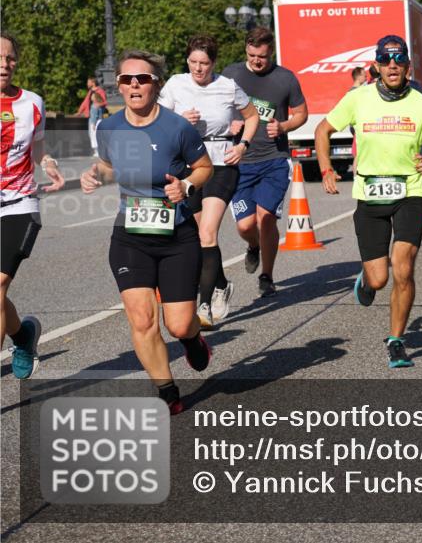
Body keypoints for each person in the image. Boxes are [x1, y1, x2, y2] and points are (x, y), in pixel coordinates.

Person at [81, 50, 214, 414]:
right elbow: (109, 165)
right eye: (127, 79)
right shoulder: (108, 127)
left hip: (176, 236)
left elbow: (204, 167)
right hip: (130, 235)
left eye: (142, 79)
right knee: (141, 318)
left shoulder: (177, 127)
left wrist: (186, 185)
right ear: (119, 86)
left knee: (179, 322)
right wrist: (95, 174)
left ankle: (192, 339)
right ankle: (167, 390)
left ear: (156, 84)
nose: (134, 85)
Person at [315, 35, 422, 368]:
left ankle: (396, 340)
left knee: (403, 270)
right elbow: (322, 130)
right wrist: (325, 169)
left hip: (407, 194)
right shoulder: (358, 98)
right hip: (369, 197)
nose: (392, 66)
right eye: (386, 60)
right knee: (379, 278)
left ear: (407, 66)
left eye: (399, 60)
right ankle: (365, 279)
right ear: (377, 66)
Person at [159, 35, 260, 327]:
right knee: (193, 237)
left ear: (213, 63)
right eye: (193, 62)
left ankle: (203, 307)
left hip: (220, 163)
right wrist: (178, 118)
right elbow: (157, 117)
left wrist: (242, 146)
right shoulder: (176, 84)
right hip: (187, 164)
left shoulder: (227, 86)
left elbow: (252, 117)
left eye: (204, 63)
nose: (198, 69)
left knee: (207, 233)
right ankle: (221, 284)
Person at [221, 27, 307, 297]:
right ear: (245, 49)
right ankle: (253, 246)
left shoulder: (285, 79)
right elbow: (217, 108)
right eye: (252, 55)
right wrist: (229, 123)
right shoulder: (231, 74)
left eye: (262, 56)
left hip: (274, 159)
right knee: (246, 225)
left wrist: (283, 126)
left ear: (272, 53)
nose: (257, 60)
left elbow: (302, 113)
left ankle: (267, 275)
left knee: (267, 218)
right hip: (240, 160)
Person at [1, 31, 65, 379]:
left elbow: (38, 149)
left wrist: (50, 165)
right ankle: (23, 335)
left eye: (9, 58)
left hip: (20, 204)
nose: (4, 64)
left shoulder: (32, 103)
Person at [75, 77, 108, 156]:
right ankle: (96, 150)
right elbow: (85, 102)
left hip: (97, 117)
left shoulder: (100, 91)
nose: (87, 84)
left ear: (93, 83)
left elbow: (104, 102)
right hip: (91, 115)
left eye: (88, 82)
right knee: (91, 133)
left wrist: (98, 105)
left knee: (96, 133)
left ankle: (99, 151)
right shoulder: (90, 92)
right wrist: (79, 112)